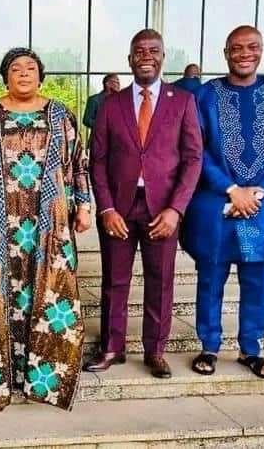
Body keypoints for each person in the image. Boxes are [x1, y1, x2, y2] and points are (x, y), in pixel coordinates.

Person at [0, 48, 92, 411]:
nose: (24, 73)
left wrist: (84, 205)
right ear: (5, 77)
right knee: (6, 293)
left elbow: (79, 165)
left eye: (31, 68)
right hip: (2, 225)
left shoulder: (61, 114)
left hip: (50, 226)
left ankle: (42, 378)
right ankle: (6, 371)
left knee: (49, 292)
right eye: (15, 69)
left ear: (41, 76)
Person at [183, 26, 264, 379]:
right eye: (236, 48)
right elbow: (196, 149)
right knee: (210, 279)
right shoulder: (204, 97)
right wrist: (231, 188)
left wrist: (259, 190)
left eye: (252, 47)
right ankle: (209, 346)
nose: (244, 54)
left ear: (261, 50)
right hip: (216, 207)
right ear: (225, 53)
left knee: (258, 282)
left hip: (262, 209)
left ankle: (251, 350)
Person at [84, 29, 203, 379]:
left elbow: (193, 159)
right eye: (139, 51)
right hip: (119, 209)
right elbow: (97, 161)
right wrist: (106, 208)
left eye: (153, 50)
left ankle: (155, 351)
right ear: (129, 59)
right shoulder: (111, 104)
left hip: (162, 210)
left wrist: (176, 209)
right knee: (114, 280)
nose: (146, 56)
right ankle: (112, 347)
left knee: (160, 282)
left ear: (163, 57)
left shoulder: (182, 101)